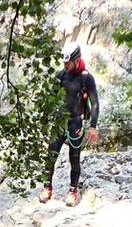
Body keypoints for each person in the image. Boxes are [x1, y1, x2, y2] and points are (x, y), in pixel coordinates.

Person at [39, 42, 99, 207]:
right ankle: (47, 187)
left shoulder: (86, 78)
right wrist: (44, 120)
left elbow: (94, 103)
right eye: (64, 63)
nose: (65, 66)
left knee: (74, 158)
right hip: (59, 121)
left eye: (68, 63)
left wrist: (93, 126)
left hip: (76, 122)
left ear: (77, 60)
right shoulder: (60, 76)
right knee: (51, 155)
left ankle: (72, 191)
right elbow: (50, 100)